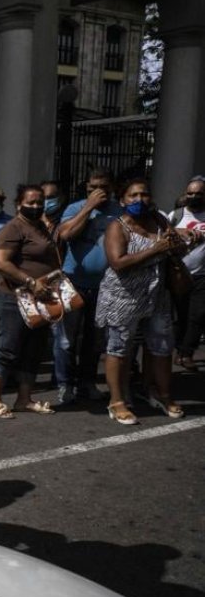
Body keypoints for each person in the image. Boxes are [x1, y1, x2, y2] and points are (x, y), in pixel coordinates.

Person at [96, 178, 185, 425]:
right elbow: (118, 262)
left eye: (144, 195)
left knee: (161, 346)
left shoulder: (159, 221)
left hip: (156, 296)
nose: (139, 200)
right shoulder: (117, 227)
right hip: (123, 298)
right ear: (123, 200)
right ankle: (116, 401)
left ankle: (162, 393)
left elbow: (172, 248)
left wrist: (178, 245)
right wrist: (155, 249)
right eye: (132, 196)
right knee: (119, 348)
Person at [0, 185, 61, 418]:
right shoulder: (13, 228)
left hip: (40, 298)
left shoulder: (40, 227)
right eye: (31, 202)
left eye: (40, 202)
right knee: (7, 347)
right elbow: (0, 263)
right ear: (19, 204)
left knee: (33, 348)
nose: (37, 206)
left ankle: (24, 399)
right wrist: (30, 281)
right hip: (13, 297)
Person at [54, 167, 122, 405]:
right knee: (67, 339)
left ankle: (87, 382)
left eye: (102, 188)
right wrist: (88, 207)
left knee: (95, 339)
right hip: (73, 283)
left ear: (111, 188)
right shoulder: (75, 208)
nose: (96, 192)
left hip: (104, 286)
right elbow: (66, 235)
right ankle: (64, 384)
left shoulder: (118, 213)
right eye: (92, 188)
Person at [168, 175, 205, 372]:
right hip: (178, 274)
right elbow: (163, 239)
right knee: (180, 316)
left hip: (202, 276)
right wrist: (179, 236)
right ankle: (178, 349)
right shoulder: (175, 216)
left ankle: (186, 353)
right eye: (190, 193)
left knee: (198, 314)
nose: (194, 197)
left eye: (199, 194)